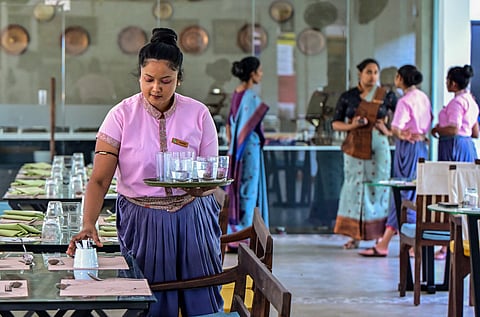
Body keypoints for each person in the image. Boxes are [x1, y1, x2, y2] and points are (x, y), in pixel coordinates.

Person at [66, 28, 224, 316]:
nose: (156, 88)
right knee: (148, 299)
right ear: (139, 76)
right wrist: (88, 223)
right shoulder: (121, 115)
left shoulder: (199, 114)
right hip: (142, 218)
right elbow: (100, 179)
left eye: (166, 81)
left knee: (201, 297)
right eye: (148, 80)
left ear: (179, 78)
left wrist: (203, 188)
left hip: (193, 214)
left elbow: (210, 173)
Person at [359, 65, 432, 257]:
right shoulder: (423, 97)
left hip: (406, 149)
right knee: (415, 192)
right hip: (421, 147)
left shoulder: (404, 101)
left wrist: (387, 129)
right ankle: (404, 242)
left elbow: (398, 129)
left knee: (402, 193)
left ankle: (392, 243)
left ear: (401, 78)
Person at [332, 58, 397, 250]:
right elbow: (335, 123)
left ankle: (378, 235)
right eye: (369, 72)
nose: (373, 76)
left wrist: (388, 130)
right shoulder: (349, 96)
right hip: (355, 147)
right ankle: (354, 236)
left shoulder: (386, 96)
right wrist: (352, 125)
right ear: (359, 74)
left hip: (379, 148)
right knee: (354, 188)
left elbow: (402, 122)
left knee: (379, 188)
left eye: (376, 72)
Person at [430, 64, 479, 260]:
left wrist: (436, 130)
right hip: (467, 146)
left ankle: (448, 245)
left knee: (453, 193)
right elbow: (475, 131)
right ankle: (461, 239)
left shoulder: (457, 104)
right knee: (465, 192)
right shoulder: (472, 101)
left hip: (454, 146)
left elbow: (453, 128)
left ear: (453, 83)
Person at [226, 56, 269, 239]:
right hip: (249, 148)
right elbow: (257, 127)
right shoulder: (251, 97)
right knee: (249, 190)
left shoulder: (236, 93)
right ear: (252, 74)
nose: (261, 74)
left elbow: (230, 122)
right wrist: (264, 139)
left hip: (236, 149)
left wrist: (232, 145)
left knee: (238, 187)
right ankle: (246, 231)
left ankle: (236, 230)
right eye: (259, 71)